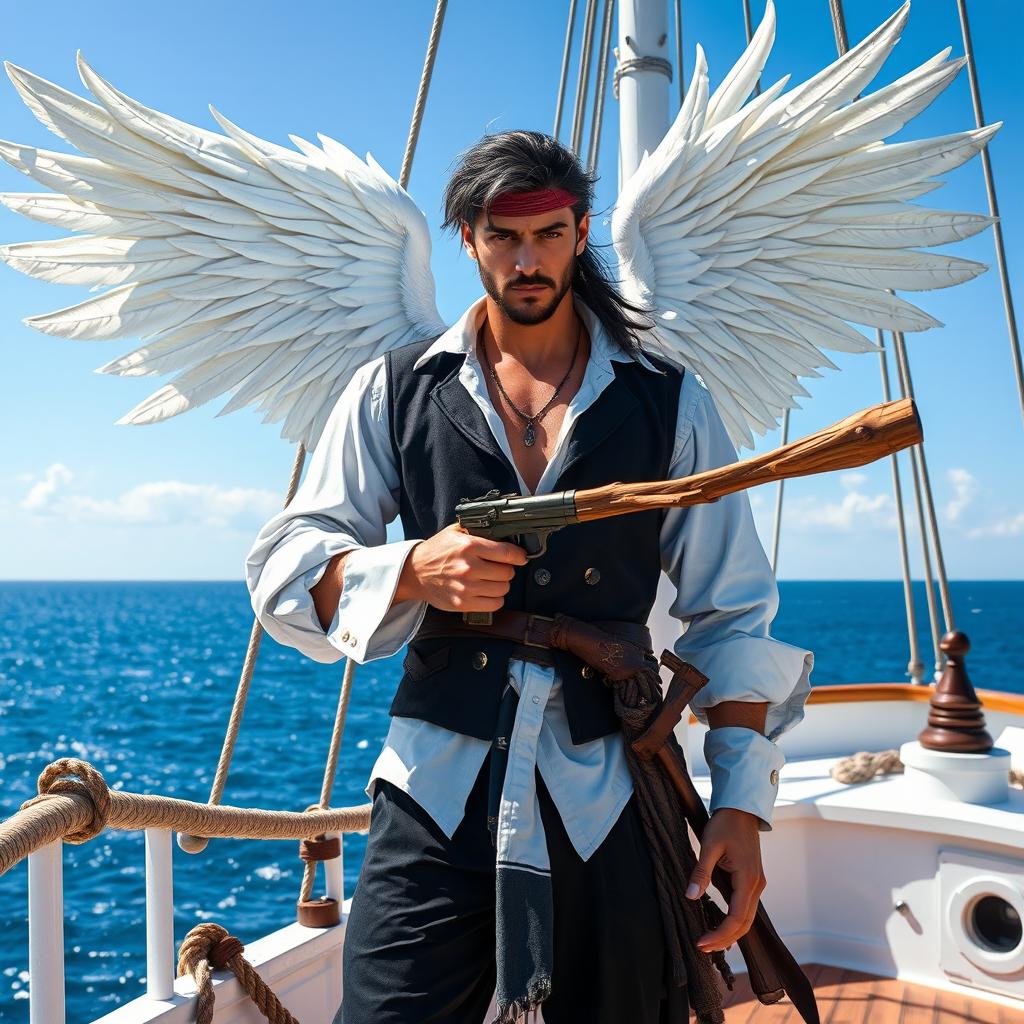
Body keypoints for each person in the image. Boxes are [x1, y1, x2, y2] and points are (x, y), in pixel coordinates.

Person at [246, 130, 813, 1024]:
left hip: (610, 789)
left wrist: (740, 805)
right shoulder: (393, 389)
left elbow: (732, 614)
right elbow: (284, 569)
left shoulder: (669, 401)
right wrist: (408, 571)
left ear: (581, 231)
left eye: (548, 234)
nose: (527, 259)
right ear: (467, 238)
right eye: (504, 237)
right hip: (435, 786)